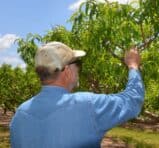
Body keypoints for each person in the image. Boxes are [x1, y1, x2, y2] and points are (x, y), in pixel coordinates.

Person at [10, 41, 144, 148]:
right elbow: (132, 101)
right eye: (77, 63)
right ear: (67, 71)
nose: (79, 69)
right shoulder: (87, 105)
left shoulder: (20, 115)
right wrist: (133, 65)